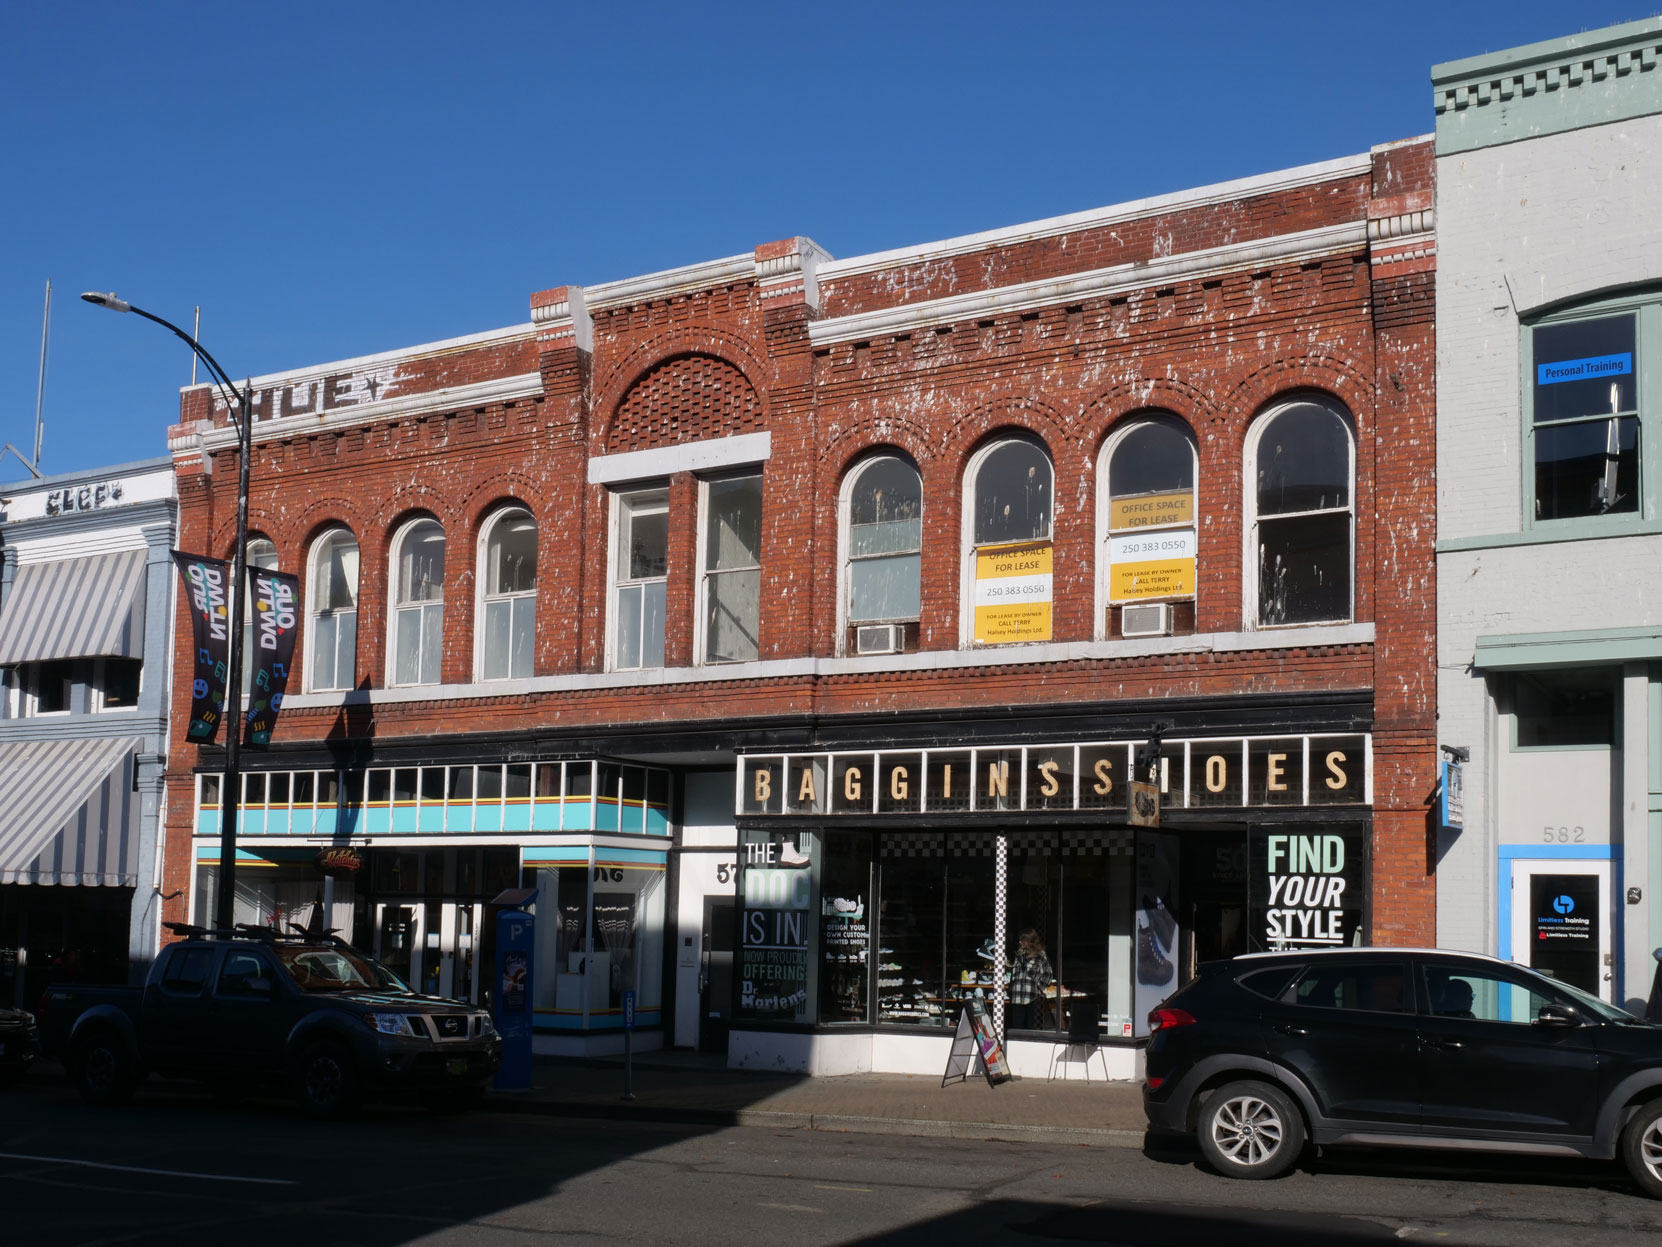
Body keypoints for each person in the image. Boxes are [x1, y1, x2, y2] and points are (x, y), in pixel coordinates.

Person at [1007, 927, 1054, 1030]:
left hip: (1032, 997)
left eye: (1022, 940)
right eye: (1019, 940)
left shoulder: (1040, 955)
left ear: (1029, 941)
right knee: (1017, 1028)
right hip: (1017, 997)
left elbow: (1048, 974)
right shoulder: (1018, 955)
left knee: (1031, 1028)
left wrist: (1038, 988)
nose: (1020, 943)